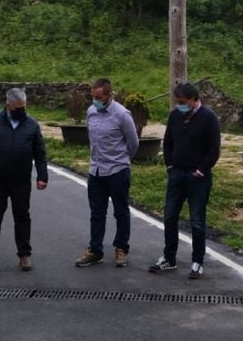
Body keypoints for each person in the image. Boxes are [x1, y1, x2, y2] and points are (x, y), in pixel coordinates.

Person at [149, 82, 221, 279]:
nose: (180, 105)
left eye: (183, 102)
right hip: (177, 174)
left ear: (194, 99)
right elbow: (168, 141)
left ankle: (197, 261)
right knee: (170, 216)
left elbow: (214, 148)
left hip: (198, 177)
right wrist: (170, 166)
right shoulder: (175, 116)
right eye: (177, 102)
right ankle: (169, 258)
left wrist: (202, 170)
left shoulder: (208, 118)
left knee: (197, 220)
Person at [0, 88, 48, 276]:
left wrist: (42, 176)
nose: (20, 110)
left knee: (22, 216)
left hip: (21, 180)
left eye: (23, 107)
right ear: (8, 105)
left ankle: (24, 255)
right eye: (16, 108)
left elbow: (40, 152)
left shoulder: (32, 124)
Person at [76, 78, 140, 268]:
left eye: (99, 97)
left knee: (120, 211)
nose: (95, 100)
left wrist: (123, 160)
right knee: (97, 212)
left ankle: (121, 248)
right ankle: (95, 250)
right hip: (96, 170)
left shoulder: (122, 114)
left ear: (109, 95)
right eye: (93, 96)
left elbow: (133, 143)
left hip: (117, 170)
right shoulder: (91, 112)